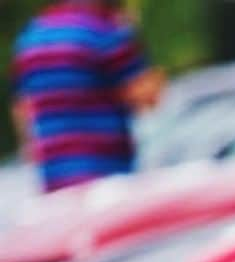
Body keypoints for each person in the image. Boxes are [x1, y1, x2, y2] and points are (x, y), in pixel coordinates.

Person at [11, 0, 164, 192]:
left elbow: (23, 113)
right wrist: (132, 34)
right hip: (107, 176)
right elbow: (147, 98)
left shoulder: (30, 38)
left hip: (56, 182)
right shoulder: (105, 30)